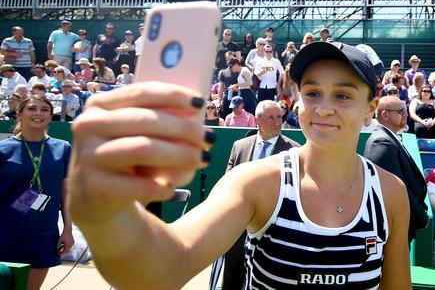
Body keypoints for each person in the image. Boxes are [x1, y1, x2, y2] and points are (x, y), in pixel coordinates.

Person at [67, 41, 411, 289]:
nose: (322, 108)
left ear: (371, 107)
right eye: (312, 93)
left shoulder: (390, 193)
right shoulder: (255, 183)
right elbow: (166, 268)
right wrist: (108, 214)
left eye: (343, 95)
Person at [222, 100, 300, 290]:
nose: (277, 122)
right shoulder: (239, 146)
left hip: (275, 230)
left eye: (279, 117)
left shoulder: (294, 151)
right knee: (232, 279)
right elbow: (228, 184)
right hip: (238, 228)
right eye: (271, 117)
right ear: (257, 120)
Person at [0, 96, 73, 290]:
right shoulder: (3, 149)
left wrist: (67, 230)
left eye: (44, 110)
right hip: (5, 233)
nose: (38, 113)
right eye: (32, 109)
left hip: (42, 235)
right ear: (19, 114)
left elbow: (67, 194)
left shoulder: (63, 148)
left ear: (51, 116)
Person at [364, 96, 428, 242]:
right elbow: (395, 189)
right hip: (392, 227)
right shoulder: (381, 142)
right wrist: (420, 216)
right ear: (385, 115)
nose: (406, 113)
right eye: (401, 110)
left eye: (405, 109)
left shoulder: (390, 138)